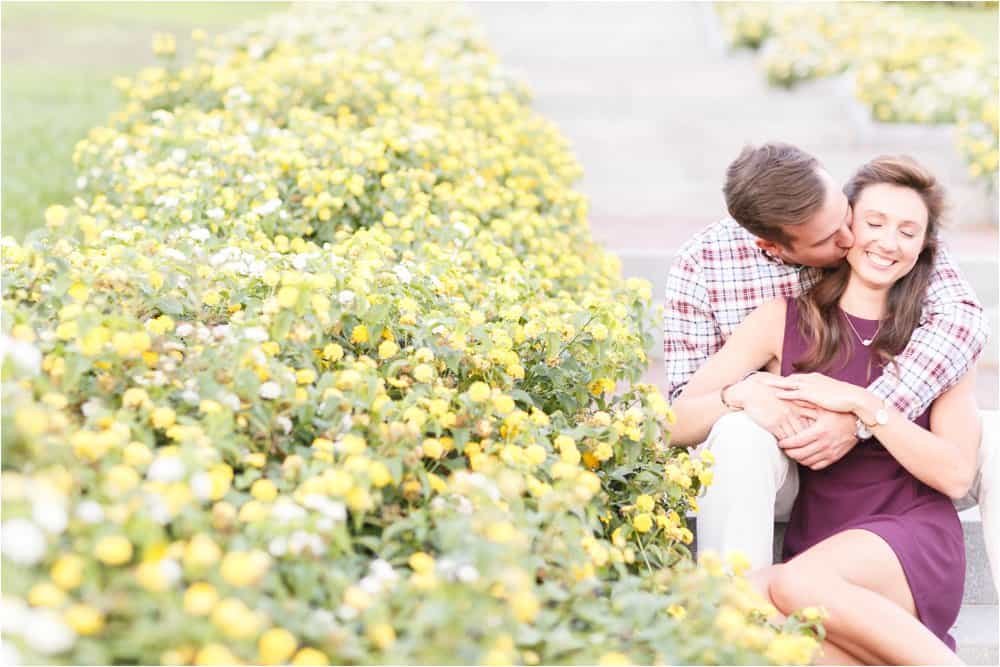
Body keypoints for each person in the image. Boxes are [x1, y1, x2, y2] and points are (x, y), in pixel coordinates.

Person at [670, 155, 978, 663]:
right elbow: (675, 420)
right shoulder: (781, 320)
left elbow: (955, 476)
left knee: (794, 583)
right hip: (822, 535)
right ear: (848, 226)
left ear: (924, 247)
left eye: (908, 231)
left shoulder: (937, 337)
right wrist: (739, 394)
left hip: (909, 537)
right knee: (731, 611)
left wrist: (864, 405)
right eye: (874, 223)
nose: (886, 241)